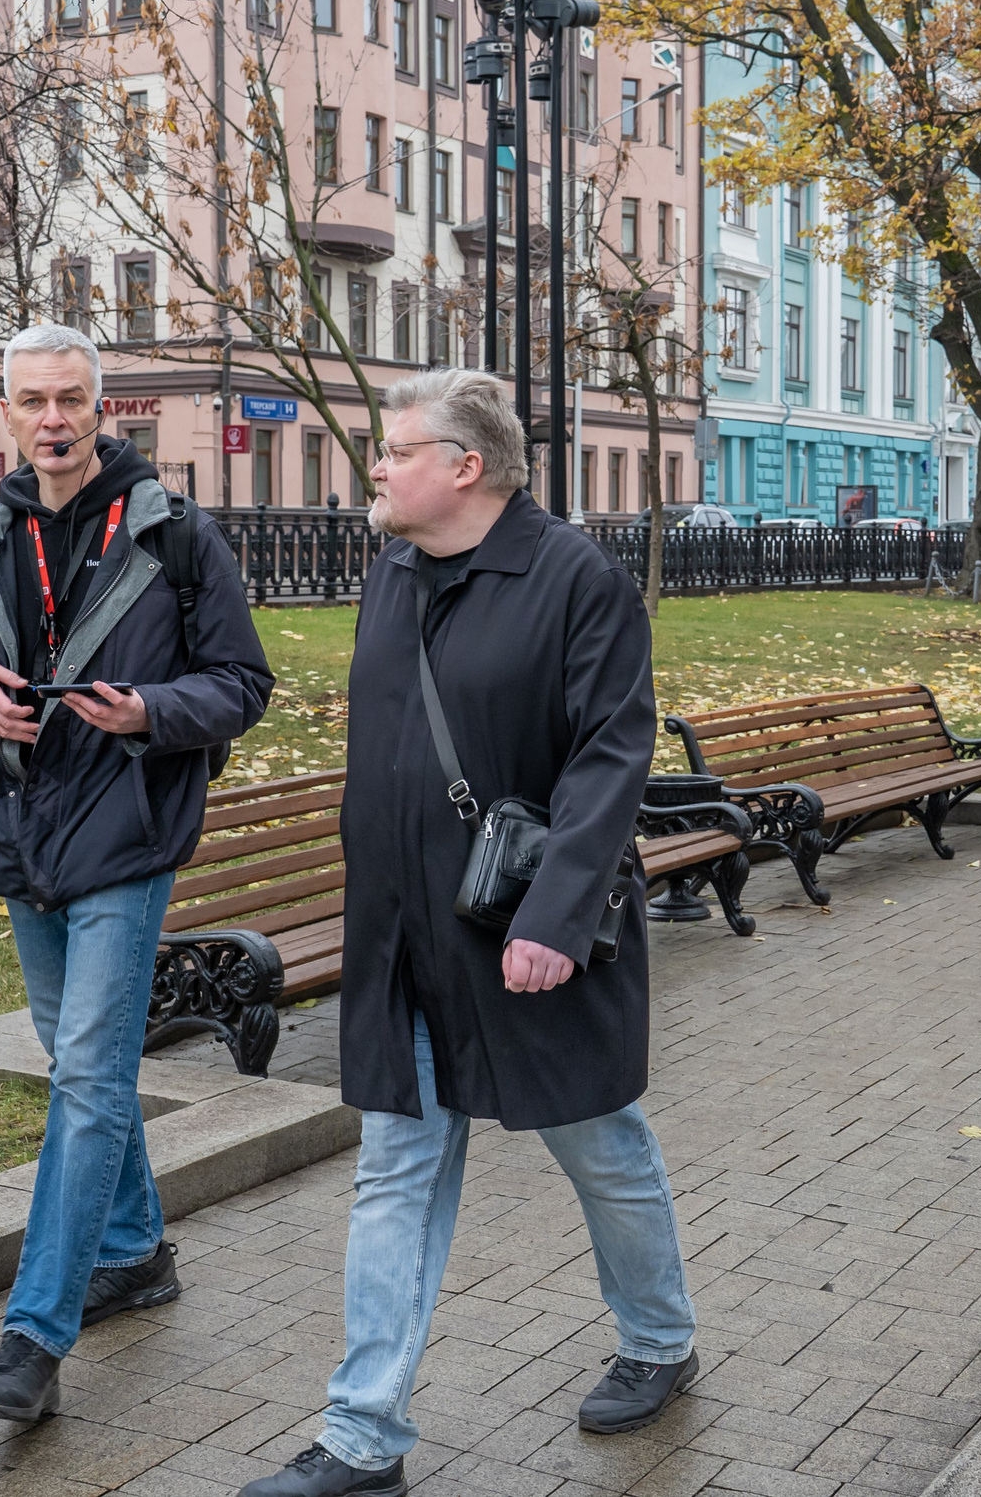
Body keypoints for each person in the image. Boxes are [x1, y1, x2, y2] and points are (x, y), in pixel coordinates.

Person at [241, 370, 698, 1497]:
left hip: (521, 932)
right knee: (394, 1168)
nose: (376, 469)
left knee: (602, 1146)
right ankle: (361, 1435)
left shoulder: (574, 579)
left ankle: (657, 1339)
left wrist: (553, 915)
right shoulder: (392, 571)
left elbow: (610, 757)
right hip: (403, 939)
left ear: (466, 467)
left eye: (395, 450)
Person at [0, 325, 276, 1422]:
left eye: (71, 399)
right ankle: (135, 1251)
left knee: (86, 1076)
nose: (52, 419)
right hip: (21, 838)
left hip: (125, 832)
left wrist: (154, 712)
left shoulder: (174, 531)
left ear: (104, 409)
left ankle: (33, 1333)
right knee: (82, 1061)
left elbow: (244, 683)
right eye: (32, 401)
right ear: (7, 413)